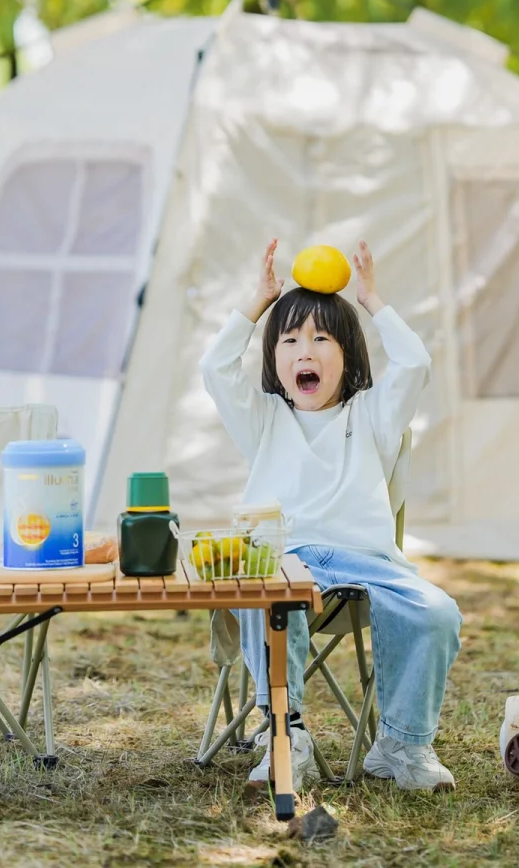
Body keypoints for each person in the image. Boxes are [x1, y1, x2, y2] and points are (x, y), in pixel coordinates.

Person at [199, 237, 461, 792]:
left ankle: (402, 746)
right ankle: (284, 734)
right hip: (284, 558)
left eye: (321, 339)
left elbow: (415, 362)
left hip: (367, 564)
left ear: (349, 354)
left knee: (438, 612)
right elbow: (215, 367)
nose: (305, 352)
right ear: (274, 359)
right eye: (290, 340)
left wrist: (372, 300)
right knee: (262, 590)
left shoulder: (371, 416)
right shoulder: (263, 418)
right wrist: (256, 303)